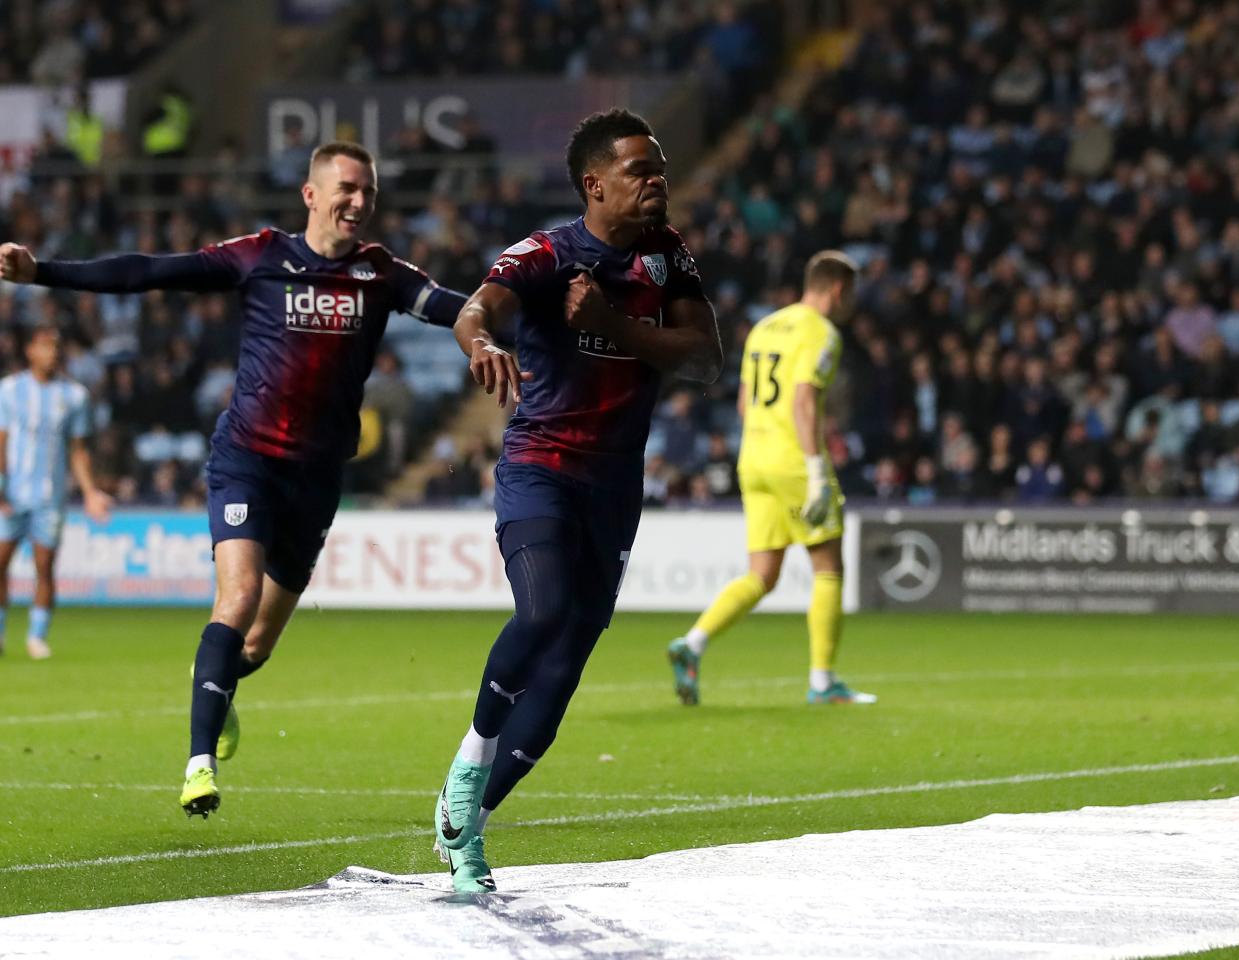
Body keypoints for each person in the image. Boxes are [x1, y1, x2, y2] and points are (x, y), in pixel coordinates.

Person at [0, 141, 479, 818]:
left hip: (315, 480)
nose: (359, 201)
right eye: (346, 187)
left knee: (257, 642)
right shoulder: (259, 255)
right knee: (238, 597)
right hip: (247, 459)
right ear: (311, 195)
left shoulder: (383, 274)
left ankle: (220, 689)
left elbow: (458, 308)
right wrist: (43, 271)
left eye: (368, 191)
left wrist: (528, 319)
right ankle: (197, 765)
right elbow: (147, 271)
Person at [433, 109, 721, 893]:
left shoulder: (668, 259)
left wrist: (612, 323)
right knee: (542, 612)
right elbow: (478, 307)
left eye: (659, 166)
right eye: (639, 169)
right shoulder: (549, 255)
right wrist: (482, 343)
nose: (656, 178)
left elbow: (705, 360)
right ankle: (468, 762)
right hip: (542, 467)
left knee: (560, 680)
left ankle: (468, 828)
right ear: (595, 184)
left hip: (614, 485)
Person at [667, 251, 877, 707]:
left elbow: (744, 404)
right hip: (794, 461)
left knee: (762, 574)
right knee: (828, 567)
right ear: (839, 290)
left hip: (754, 459)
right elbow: (803, 400)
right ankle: (823, 681)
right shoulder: (821, 332)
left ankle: (694, 643)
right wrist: (818, 470)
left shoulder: (766, 326)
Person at [0, 325, 112, 659]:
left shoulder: (74, 396)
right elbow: (1, 440)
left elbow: (78, 450)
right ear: (30, 351)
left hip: (50, 498)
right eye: (46, 346)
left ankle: (37, 635)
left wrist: (91, 491)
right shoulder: (8, 390)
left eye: (56, 347)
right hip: (11, 495)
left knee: (44, 566)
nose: (53, 353)